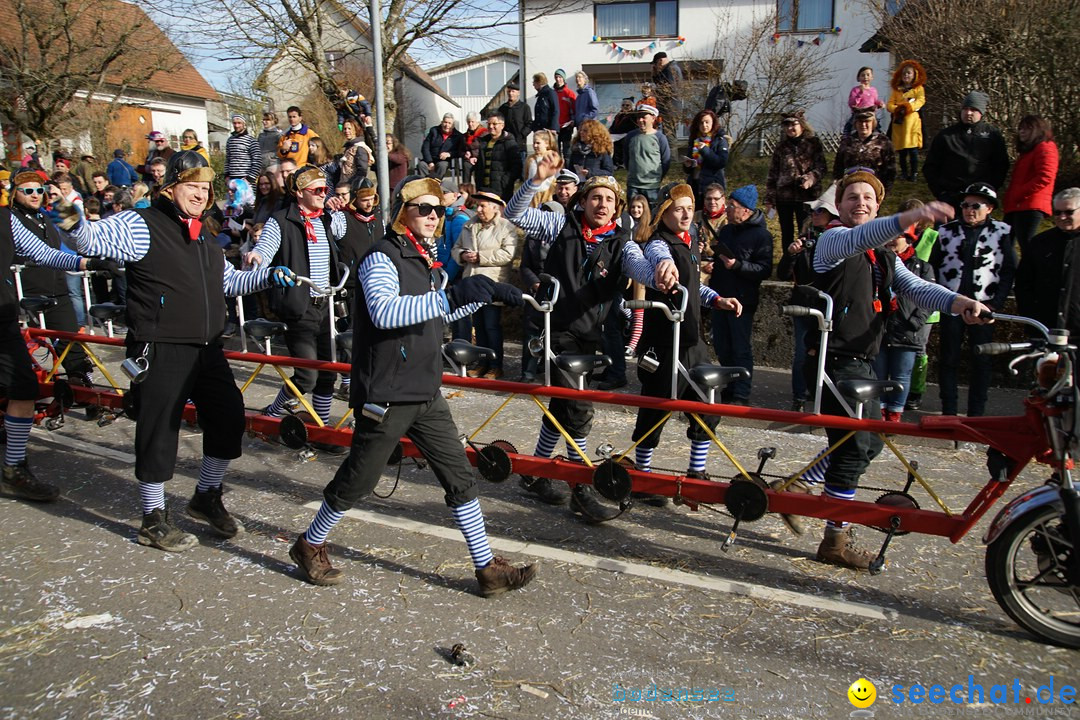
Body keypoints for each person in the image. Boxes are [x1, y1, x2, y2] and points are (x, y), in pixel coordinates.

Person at [288, 175, 538, 596]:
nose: (432, 216)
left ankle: (487, 568)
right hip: (387, 391)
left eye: (438, 210)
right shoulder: (381, 257)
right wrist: (453, 297)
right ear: (401, 213)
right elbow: (386, 312)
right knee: (359, 480)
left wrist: (490, 292)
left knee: (460, 476)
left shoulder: (424, 257)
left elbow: (433, 313)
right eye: (422, 208)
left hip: (424, 388)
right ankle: (309, 544)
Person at [65, 151, 299, 551]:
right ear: (170, 186)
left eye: (206, 188)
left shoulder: (204, 233)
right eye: (192, 186)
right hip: (161, 346)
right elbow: (92, 238)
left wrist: (267, 277)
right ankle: (153, 518)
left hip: (207, 347)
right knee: (159, 430)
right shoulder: (141, 224)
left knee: (227, 420)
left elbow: (229, 282)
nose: (201, 194)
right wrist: (73, 219)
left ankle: (206, 496)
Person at [805, 168, 991, 569]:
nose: (861, 203)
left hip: (863, 361)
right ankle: (834, 539)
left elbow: (917, 288)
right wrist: (910, 217)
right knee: (856, 446)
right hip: (834, 361)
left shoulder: (883, 256)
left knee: (869, 443)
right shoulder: (834, 240)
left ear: (877, 206)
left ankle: (806, 488)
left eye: (869, 199)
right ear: (839, 206)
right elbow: (861, 236)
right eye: (852, 197)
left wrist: (962, 304)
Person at [504, 151, 679, 519]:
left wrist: (662, 272)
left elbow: (641, 270)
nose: (602, 204)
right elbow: (514, 214)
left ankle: (535, 471)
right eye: (595, 197)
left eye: (609, 200)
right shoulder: (559, 226)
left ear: (617, 209)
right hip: (558, 330)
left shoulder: (622, 243)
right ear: (582, 201)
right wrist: (536, 181)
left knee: (561, 406)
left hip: (594, 336)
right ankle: (581, 484)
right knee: (579, 406)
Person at [630, 183, 742, 490]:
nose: (685, 213)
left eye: (689, 208)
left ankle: (697, 471)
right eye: (678, 208)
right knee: (656, 407)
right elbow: (657, 255)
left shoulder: (690, 242)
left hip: (692, 340)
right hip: (664, 343)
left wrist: (717, 299)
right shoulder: (659, 242)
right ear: (665, 211)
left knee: (706, 404)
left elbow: (693, 290)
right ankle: (643, 475)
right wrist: (663, 264)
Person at [247, 165, 348, 451]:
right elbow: (265, 249)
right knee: (307, 374)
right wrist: (256, 258)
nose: (322, 194)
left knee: (328, 371)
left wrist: (336, 208)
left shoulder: (324, 219)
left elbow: (342, 231)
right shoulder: (281, 221)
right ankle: (274, 412)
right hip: (298, 304)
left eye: (324, 189)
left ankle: (319, 427)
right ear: (298, 193)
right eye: (316, 190)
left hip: (325, 302)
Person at [930, 182, 1014, 417]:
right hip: (953, 305)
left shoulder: (1002, 231)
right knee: (949, 359)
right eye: (965, 205)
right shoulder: (946, 231)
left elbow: (1008, 270)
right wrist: (939, 297)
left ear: (989, 208)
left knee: (982, 359)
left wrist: (996, 303)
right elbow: (932, 267)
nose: (969, 210)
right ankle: (949, 410)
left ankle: (977, 413)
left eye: (975, 205)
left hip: (985, 305)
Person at [7, 171, 97, 388]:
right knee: (27, 348)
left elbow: (82, 236)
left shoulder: (48, 214)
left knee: (73, 345)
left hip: (58, 287)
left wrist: (62, 203)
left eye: (40, 190)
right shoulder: (11, 218)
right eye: (28, 190)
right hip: (28, 290)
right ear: (15, 193)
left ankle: (87, 393)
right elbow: (42, 253)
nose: (35, 195)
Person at [707, 184, 773, 404]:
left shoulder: (762, 236)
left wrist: (737, 265)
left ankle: (741, 391)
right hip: (721, 297)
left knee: (740, 347)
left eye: (732, 206)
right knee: (722, 346)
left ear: (746, 210)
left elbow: (764, 269)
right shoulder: (726, 230)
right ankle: (729, 385)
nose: (726, 209)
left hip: (742, 300)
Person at [776, 184, 839, 412]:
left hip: (829, 306)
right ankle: (799, 397)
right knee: (803, 352)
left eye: (819, 211)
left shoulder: (838, 240)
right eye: (813, 211)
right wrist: (791, 255)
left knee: (828, 354)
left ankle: (821, 395)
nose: (814, 214)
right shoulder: (804, 240)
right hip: (804, 304)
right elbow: (783, 274)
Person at [451, 189, 519, 379]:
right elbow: (456, 249)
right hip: (472, 283)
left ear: (494, 208)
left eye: (482, 205)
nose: (478, 209)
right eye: (477, 205)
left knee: (491, 326)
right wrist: (463, 256)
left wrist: (481, 257)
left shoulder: (506, 227)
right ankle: (482, 362)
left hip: (492, 283)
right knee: (478, 325)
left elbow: (508, 254)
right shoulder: (468, 225)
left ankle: (496, 365)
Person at [874, 224, 935, 421]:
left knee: (901, 375)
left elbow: (930, 297)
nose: (891, 240)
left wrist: (915, 321)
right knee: (879, 374)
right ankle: (879, 411)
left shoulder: (923, 267)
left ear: (908, 240)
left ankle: (895, 413)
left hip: (906, 329)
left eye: (897, 236)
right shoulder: (878, 263)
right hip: (879, 328)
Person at [922, 91, 1009, 211]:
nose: (968, 113)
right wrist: (940, 193)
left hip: (980, 198)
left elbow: (1001, 166)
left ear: (981, 112)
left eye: (973, 109)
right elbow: (930, 167)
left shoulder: (992, 135)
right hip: (950, 197)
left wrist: (990, 189)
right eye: (965, 109)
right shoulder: (946, 136)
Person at [1015, 188, 1080, 333]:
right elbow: (1023, 283)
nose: (1062, 217)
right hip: (1045, 328)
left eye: (1069, 212)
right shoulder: (1040, 242)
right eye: (1057, 212)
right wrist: (1030, 318)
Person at [764, 110, 827, 258]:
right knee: (786, 232)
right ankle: (788, 262)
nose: (790, 128)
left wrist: (811, 178)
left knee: (805, 230)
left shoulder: (813, 143)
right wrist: (769, 199)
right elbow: (773, 173)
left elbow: (822, 167)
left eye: (793, 125)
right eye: (786, 125)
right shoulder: (781, 147)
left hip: (806, 196)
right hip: (784, 196)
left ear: (802, 125)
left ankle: (805, 261)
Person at [1002, 115, 1059, 253]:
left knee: (1026, 246)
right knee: (1004, 244)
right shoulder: (1028, 152)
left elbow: (1045, 176)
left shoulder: (1045, 147)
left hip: (1030, 205)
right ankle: (1016, 273)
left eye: (1027, 129)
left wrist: (1019, 193)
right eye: (1020, 128)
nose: (1022, 131)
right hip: (1018, 205)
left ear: (1037, 130)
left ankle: (1031, 273)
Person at [832, 109, 896, 192]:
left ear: (873, 123)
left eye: (867, 122)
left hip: (874, 187)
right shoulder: (847, 142)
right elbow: (838, 166)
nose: (863, 125)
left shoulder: (883, 142)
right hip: (849, 186)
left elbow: (890, 170)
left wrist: (884, 190)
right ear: (855, 123)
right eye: (860, 122)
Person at [886, 60, 926, 182]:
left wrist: (909, 107)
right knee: (902, 151)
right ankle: (904, 173)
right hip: (899, 124)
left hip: (912, 124)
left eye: (909, 73)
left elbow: (921, 101)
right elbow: (889, 104)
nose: (906, 76)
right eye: (904, 74)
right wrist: (897, 109)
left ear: (914, 75)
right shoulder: (897, 90)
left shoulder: (918, 89)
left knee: (912, 151)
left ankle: (914, 173)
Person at [624, 103, 671, 206]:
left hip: (652, 187)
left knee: (652, 216)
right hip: (633, 185)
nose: (640, 120)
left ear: (653, 118)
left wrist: (656, 178)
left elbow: (666, 161)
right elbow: (626, 159)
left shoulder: (660, 138)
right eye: (638, 117)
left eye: (644, 117)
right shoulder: (631, 136)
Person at [683, 109, 729, 202]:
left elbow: (721, 162)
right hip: (694, 184)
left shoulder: (720, 140)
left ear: (713, 123)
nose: (704, 125)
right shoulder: (694, 140)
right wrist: (687, 165)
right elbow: (688, 170)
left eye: (707, 122)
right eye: (701, 123)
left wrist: (705, 150)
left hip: (712, 186)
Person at [475, 114, 520, 202]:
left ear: (502, 125)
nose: (491, 127)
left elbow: (516, 166)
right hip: (484, 188)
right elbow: (479, 166)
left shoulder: (509, 142)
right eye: (489, 124)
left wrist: (504, 182)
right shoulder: (483, 142)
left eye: (494, 124)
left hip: (501, 190)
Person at [420, 113, 465, 179]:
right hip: (430, 159)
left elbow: (460, 151)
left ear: (453, 125)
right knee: (421, 165)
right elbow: (425, 147)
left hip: (444, 161)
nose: (447, 125)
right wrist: (430, 162)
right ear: (441, 122)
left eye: (449, 123)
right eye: (445, 122)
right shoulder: (434, 131)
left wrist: (449, 154)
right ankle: (425, 185)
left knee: (442, 165)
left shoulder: (458, 136)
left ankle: (436, 184)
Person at [650, 52, 683, 133]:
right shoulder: (668, 70)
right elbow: (662, 84)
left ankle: (671, 146)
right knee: (668, 133)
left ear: (660, 61)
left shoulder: (670, 69)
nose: (655, 66)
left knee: (669, 134)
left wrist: (655, 91)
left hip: (670, 108)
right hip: (670, 107)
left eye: (655, 63)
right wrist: (655, 75)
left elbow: (671, 89)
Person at [846, 67, 885, 134]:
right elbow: (852, 103)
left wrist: (880, 103)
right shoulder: (855, 90)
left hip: (870, 114)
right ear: (858, 78)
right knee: (848, 129)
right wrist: (860, 93)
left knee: (877, 130)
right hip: (858, 114)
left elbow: (874, 101)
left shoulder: (873, 90)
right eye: (863, 75)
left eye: (868, 75)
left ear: (872, 77)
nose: (865, 77)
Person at [225, 114, 262, 183]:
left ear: (244, 124)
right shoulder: (230, 140)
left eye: (239, 123)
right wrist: (227, 175)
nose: (236, 125)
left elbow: (257, 161)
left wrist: (250, 178)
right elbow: (228, 159)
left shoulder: (251, 140)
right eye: (234, 123)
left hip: (246, 178)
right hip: (232, 179)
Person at [498, 83, 532, 151]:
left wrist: (521, 135)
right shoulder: (503, 108)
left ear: (518, 93)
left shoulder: (524, 107)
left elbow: (529, 124)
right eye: (509, 91)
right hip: (505, 143)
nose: (511, 93)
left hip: (519, 145)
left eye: (513, 91)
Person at [339, 118, 372, 187]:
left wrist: (350, 184)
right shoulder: (349, 147)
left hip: (353, 187)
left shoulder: (360, 148)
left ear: (356, 130)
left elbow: (362, 171)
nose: (346, 131)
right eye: (345, 129)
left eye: (349, 129)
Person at [552, 69, 577, 157]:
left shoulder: (569, 93)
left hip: (566, 126)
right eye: (556, 77)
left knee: (567, 151)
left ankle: (567, 169)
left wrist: (572, 122)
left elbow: (574, 109)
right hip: (555, 126)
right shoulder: (552, 93)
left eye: (560, 77)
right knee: (555, 151)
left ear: (563, 78)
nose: (558, 79)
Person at [461, 113, 488, 185]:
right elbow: (460, 150)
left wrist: (475, 157)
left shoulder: (485, 133)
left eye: (472, 122)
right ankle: (466, 189)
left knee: (480, 167)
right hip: (469, 159)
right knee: (466, 165)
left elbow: (484, 148)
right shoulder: (465, 136)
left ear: (478, 122)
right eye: (468, 122)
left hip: (481, 158)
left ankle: (479, 190)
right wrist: (465, 154)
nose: (470, 124)